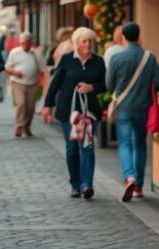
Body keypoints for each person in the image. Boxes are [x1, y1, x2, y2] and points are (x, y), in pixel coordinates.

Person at [41, 27, 105, 200]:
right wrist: (47, 105)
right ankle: (75, 184)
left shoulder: (98, 62)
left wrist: (91, 87)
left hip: (89, 112)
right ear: (77, 43)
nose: (88, 44)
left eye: (90, 41)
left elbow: (105, 84)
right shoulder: (67, 60)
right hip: (68, 112)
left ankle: (87, 185)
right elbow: (55, 84)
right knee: (72, 149)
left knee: (87, 147)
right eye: (84, 41)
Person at [106, 22, 159, 203]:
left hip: (123, 107)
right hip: (143, 107)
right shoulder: (150, 57)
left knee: (124, 143)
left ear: (123, 37)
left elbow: (109, 85)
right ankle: (138, 186)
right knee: (139, 143)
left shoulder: (116, 58)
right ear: (138, 36)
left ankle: (129, 177)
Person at [5, 32, 42, 137]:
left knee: (30, 107)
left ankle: (27, 126)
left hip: (33, 83)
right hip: (18, 82)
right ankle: (19, 126)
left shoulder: (36, 53)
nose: (24, 45)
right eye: (23, 43)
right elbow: (7, 67)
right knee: (21, 103)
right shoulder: (14, 52)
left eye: (27, 43)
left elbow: (42, 69)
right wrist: (14, 72)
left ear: (31, 43)